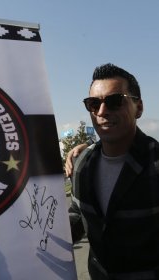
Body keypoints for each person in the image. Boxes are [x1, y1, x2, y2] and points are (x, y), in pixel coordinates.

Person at [67, 63, 159, 279]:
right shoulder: (82, 163)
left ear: (139, 107)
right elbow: (79, 214)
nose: (102, 111)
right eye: (93, 103)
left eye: (114, 101)